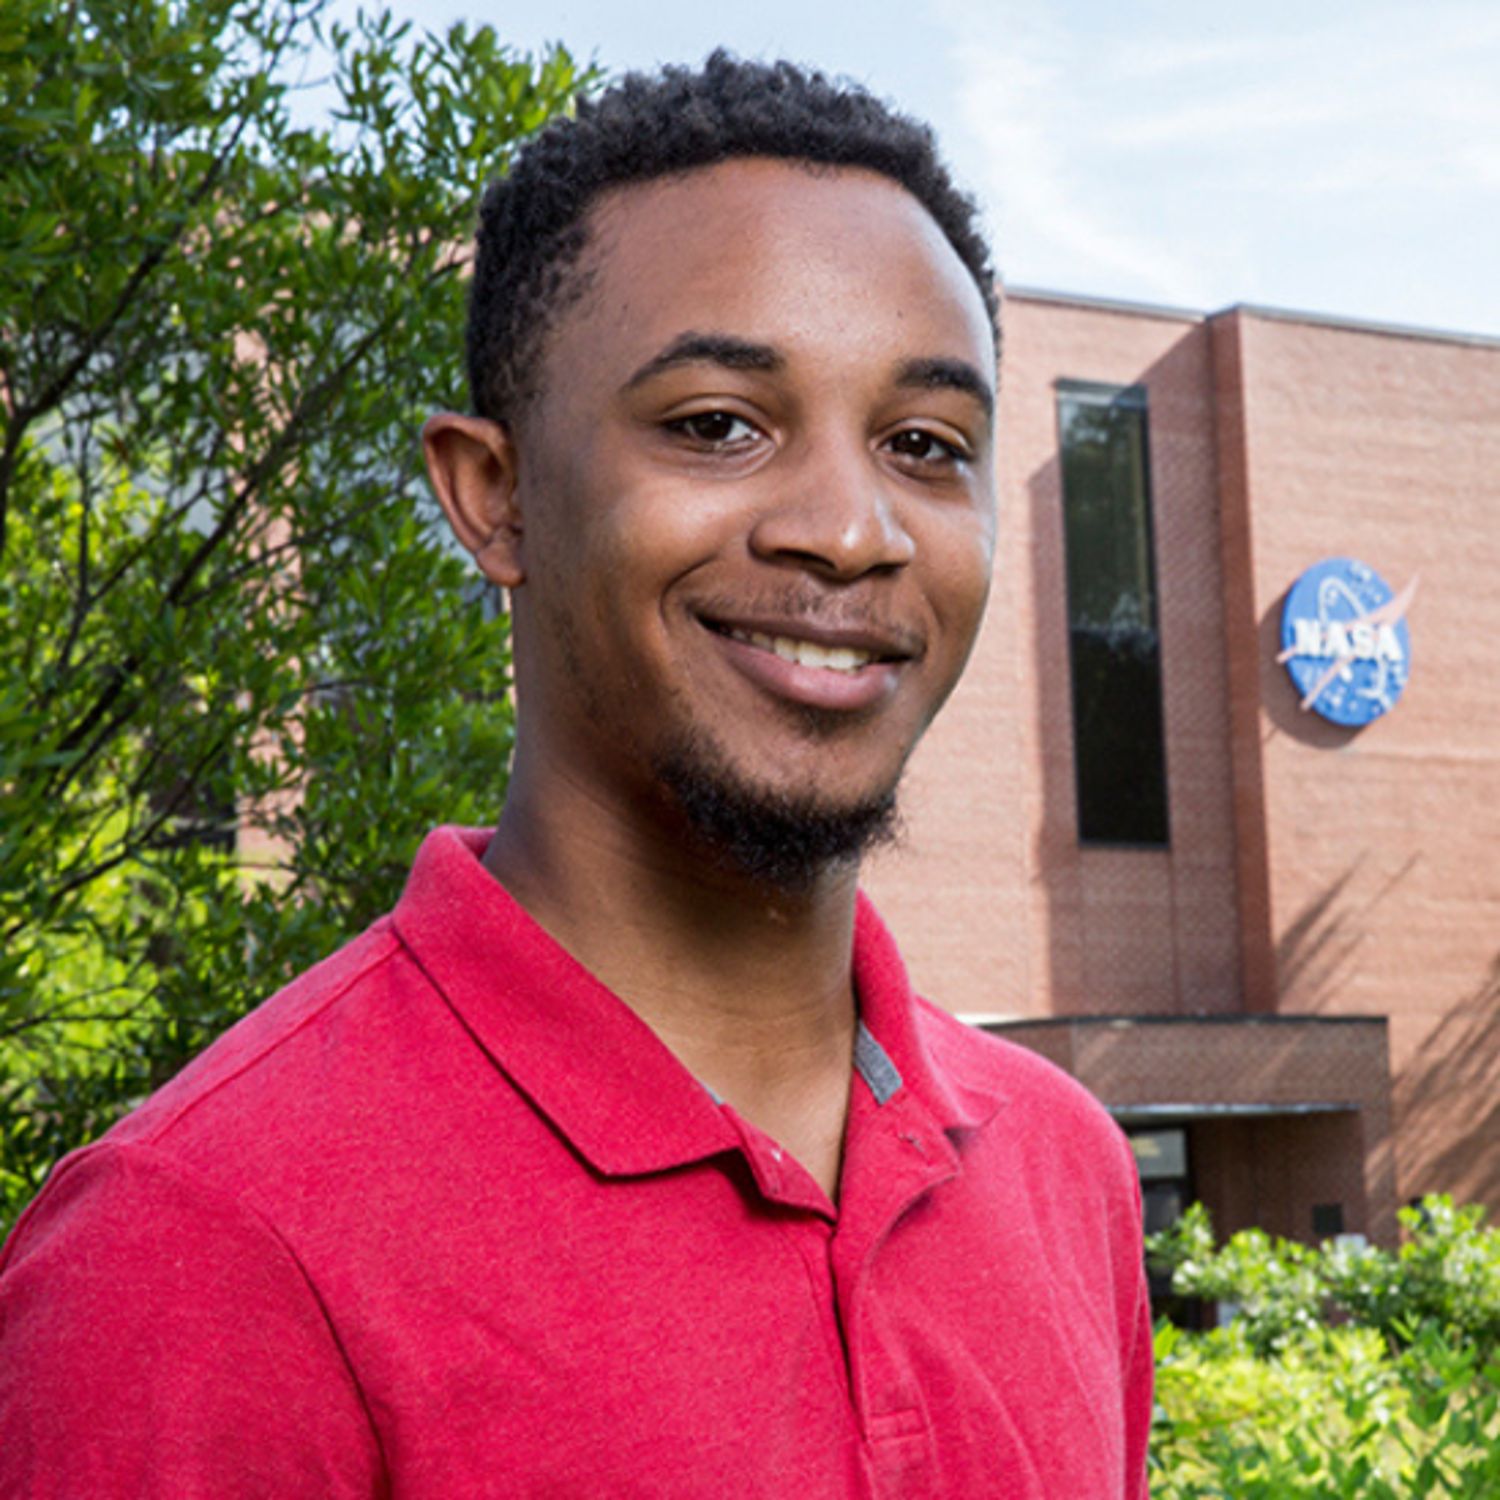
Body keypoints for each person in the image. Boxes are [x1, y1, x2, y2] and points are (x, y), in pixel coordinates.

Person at [0, 53, 1151, 1497]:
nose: (852, 531)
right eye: (717, 425)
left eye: (925, 445)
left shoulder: (1067, 1171)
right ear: (495, 497)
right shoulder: (194, 1248)